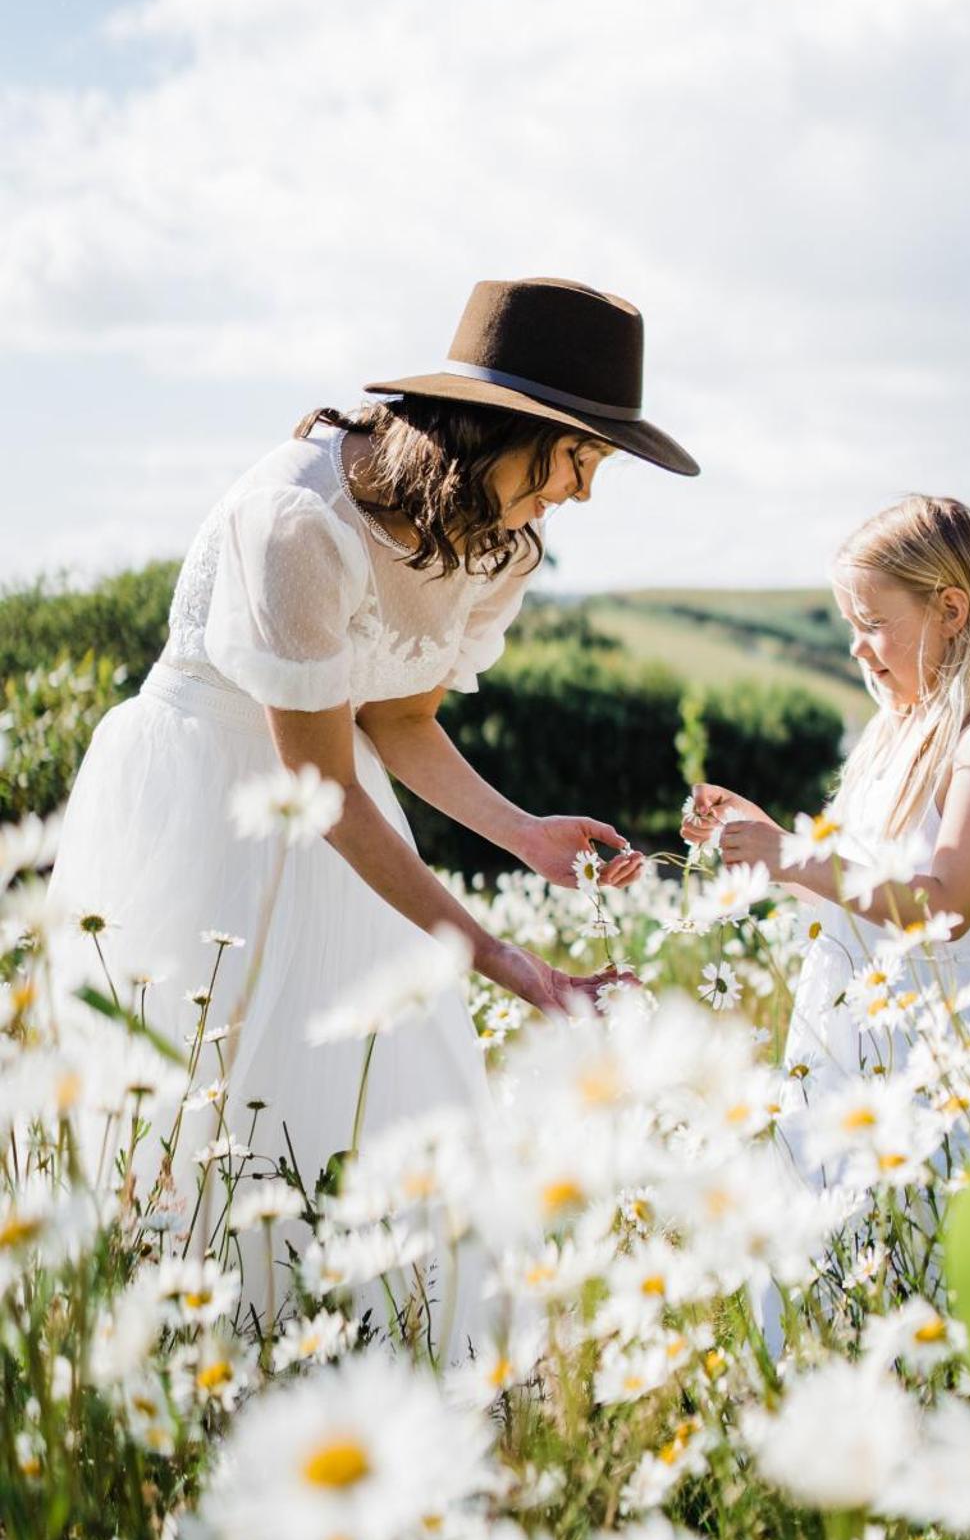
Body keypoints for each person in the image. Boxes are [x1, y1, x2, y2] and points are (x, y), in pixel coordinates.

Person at [45, 275, 699, 1366]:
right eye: (579, 459)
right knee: (209, 1101)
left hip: (340, 802)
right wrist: (505, 963)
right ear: (506, 432)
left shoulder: (496, 544)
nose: (583, 492)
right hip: (214, 800)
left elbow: (392, 718)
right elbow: (321, 794)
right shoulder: (296, 521)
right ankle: (208, 1379)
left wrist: (521, 830)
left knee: (399, 1093)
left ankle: (394, 1378)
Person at [680, 494, 970, 1345]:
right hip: (850, 1032)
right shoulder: (889, 736)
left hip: (939, 1041)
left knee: (928, 1252)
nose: (856, 646)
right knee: (831, 1246)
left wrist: (788, 853)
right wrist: (764, 841)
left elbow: (946, 906)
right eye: (848, 624)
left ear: (952, 611)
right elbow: (852, 887)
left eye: (872, 623)